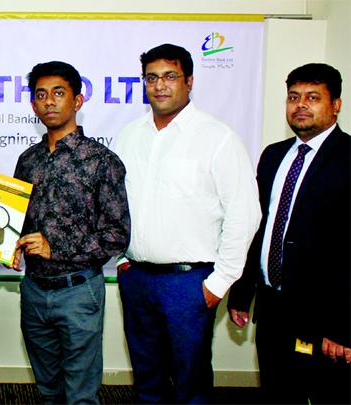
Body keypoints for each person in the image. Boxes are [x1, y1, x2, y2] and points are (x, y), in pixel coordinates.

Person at [113, 44, 261, 404]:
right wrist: (121, 262)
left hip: (190, 283)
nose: (160, 85)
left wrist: (219, 282)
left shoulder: (218, 138)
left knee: (190, 384)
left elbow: (244, 214)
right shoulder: (129, 135)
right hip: (136, 279)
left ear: (189, 81)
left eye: (170, 76)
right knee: (146, 381)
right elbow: (115, 206)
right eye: (151, 77)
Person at [8, 61, 130, 404]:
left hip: (78, 291)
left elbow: (116, 234)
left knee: (80, 395)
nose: (49, 102)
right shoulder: (27, 160)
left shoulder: (102, 161)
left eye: (58, 93)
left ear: (77, 100)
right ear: (33, 105)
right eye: (41, 95)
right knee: (48, 390)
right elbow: (20, 220)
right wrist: (6, 246)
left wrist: (55, 247)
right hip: (33, 290)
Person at [227, 63, 349, 404]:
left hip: (324, 318)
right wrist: (242, 292)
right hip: (274, 308)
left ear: (335, 104)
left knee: (328, 396)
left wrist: (343, 327)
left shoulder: (348, 158)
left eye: (313, 97)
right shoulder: (274, 156)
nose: (301, 105)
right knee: (279, 394)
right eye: (294, 97)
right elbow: (261, 227)